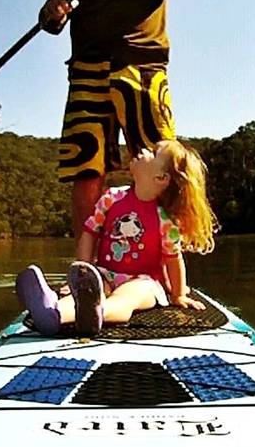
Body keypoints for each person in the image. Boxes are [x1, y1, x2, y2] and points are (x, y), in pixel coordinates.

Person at [39, 0, 213, 242]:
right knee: (87, 169)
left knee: (161, 164)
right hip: (88, 74)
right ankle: (88, 265)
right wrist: (51, 11)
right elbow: (52, 22)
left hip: (144, 72)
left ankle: (168, 258)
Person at [15, 139, 218, 336]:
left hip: (144, 281)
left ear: (160, 178)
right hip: (105, 273)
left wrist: (178, 294)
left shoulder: (165, 220)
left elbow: (173, 259)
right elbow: (90, 233)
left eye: (154, 152)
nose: (144, 150)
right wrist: (81, 272)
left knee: (127, 298)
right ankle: (53, 313)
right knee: (87, 291)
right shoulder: (112, 198)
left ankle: (98, 313)